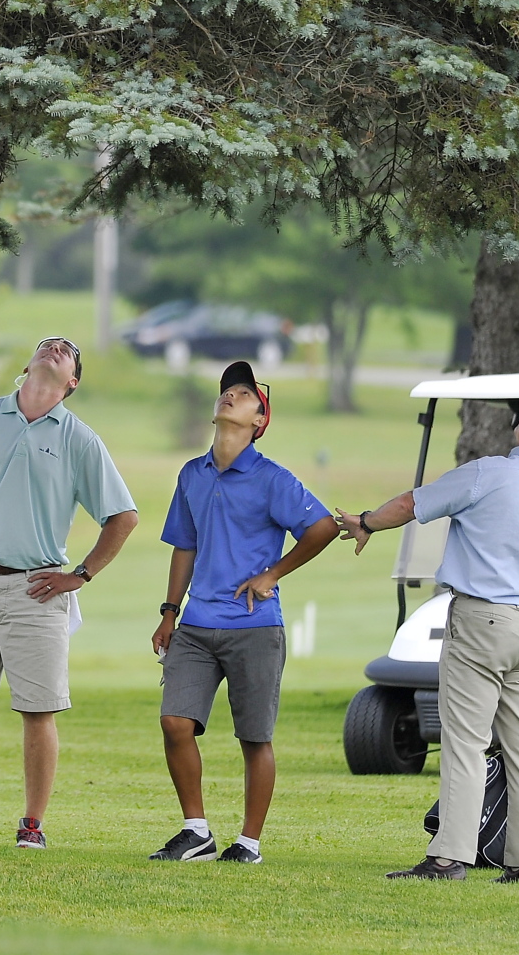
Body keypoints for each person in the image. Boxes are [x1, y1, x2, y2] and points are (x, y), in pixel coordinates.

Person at [336, 380, 519, 883]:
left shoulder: (489, 474)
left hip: (484, 623)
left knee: (465, 741)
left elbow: (414, 504)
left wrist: (366, 521)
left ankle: (449, 856)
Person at [0, 335, 137, 847]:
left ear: (72, 382)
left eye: (65, 350)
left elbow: (124, 517)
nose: (54, 347)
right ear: (30, 363)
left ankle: (31, 824)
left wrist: (80, 574)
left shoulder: (79, 439)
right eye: (46, 344)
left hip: (38, 591)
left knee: (39, 710)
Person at [150, 361, 339, 864]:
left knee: (255, 738)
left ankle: (248, 844)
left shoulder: (272, 478)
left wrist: (273, 573)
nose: (230, 395)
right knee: (175, 723)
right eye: (226, 390)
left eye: (244, 393)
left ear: (260, 420)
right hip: (194, 625)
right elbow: (183, 547)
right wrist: (170, 611)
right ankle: (197, 832)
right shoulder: (192, 474)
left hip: (255, 627)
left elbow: (322, 527)